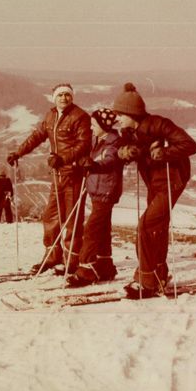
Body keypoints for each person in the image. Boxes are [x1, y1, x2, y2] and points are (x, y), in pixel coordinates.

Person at [113, 83, 196, 298]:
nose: (118, 119)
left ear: (132, 113)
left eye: (120, 114)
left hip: (172, 180)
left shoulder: (159, 124)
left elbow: (190, 145)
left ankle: (147, 281)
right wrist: (126, 152)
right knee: (157, 227)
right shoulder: (129, 131)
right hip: (154, 182)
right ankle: (158, 274)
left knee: (146, 225)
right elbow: (119, 149)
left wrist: (165, 153)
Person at [6, 83, 91, 274]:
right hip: (57, 174)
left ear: (72, 97)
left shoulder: (80, 117)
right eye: (60, 95)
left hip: (74, 174)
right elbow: (37, 136)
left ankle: (71, 259)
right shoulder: (51, 115)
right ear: (54, 98)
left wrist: (63, 158)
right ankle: (52, 255)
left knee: (71, 219)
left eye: (67, 95)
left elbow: (84, 144)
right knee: (51, 216)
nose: (64, 98)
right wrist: (18, 153)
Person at [66, 108, 124, 287]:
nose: (91, 127)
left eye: (94, 124)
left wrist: (94, 164)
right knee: (103, 229)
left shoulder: (113, 142)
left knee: (91, 229)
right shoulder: (97, 140)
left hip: (106, 190)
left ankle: (86, 269)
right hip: (97, 189)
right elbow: (86, 155)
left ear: (104, 126)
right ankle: (105, 265)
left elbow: (109, 160)